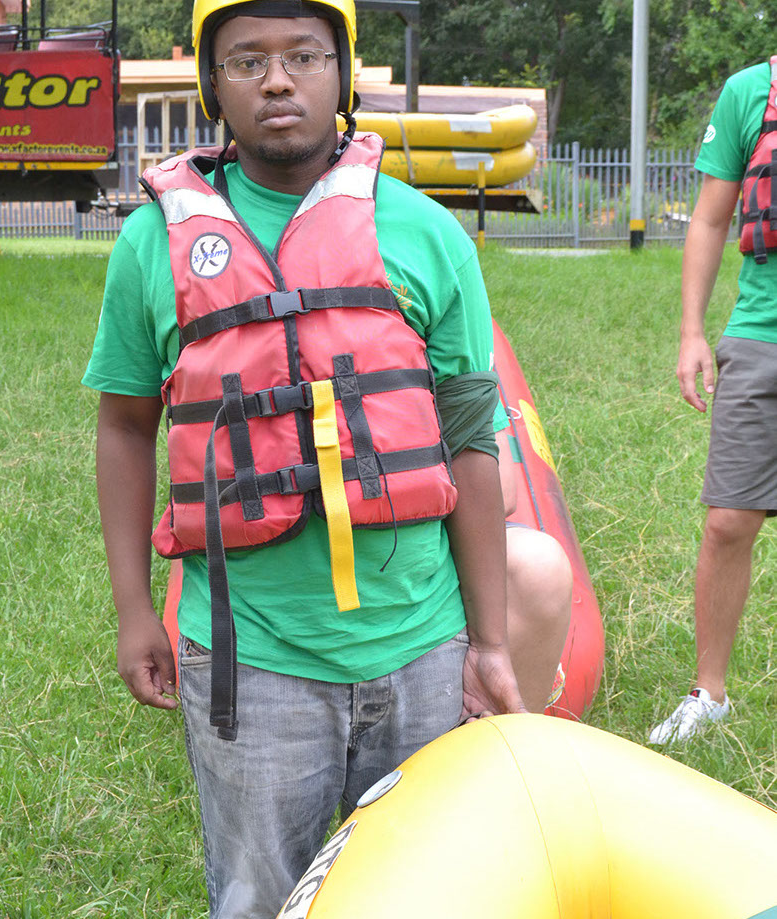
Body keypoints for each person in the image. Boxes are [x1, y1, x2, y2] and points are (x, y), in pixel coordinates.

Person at [84, 1, 566, 915]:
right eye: (246, 61)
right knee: (259, 898)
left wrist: (489, 641)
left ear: (342, 72)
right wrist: (134, 610)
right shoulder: (152, 244)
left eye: (304, 55)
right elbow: (124, 426)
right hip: (249, 657)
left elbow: (469, 436)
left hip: (424, 646)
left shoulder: (426, 233)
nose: (277, 80)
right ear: (211, 84)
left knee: (431, 896)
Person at [649, 58, 777, 745]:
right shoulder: (748, 92)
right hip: (761, 335)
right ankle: (709, 693)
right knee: (728, 519)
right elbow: (708, 219)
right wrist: (691, 332)